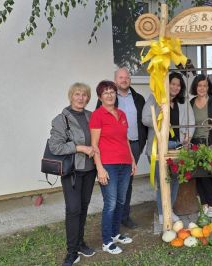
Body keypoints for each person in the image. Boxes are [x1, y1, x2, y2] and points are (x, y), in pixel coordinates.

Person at [48, 83, 96, 266]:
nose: (81, 98)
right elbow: (55, 146)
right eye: (77, 94)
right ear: (71, 96)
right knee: (73, 209)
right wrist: (79, 147)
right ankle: (71, 252)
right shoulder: (61, 119)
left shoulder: (91, 116)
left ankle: (80, 242)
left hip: (89, 171)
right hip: (72, 172)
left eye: (84, 95)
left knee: (83, 208)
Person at [97, 67, 147, 229]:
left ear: (130, 80)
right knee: (113, 185)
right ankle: (112, 219)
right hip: (111, 149)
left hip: (133, 146)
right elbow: (98, 125)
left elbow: (144, 122)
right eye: (120, 77)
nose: (124, 80)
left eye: (126, 77)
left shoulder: (139, 98)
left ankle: (124, 216)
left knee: (128, 183)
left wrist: (141, 143)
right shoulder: (108, 97)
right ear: (115, 79)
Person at [90, 80, 136, 254]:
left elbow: (125, 139)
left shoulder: (121, 114)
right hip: (108, 165)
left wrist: (132, 159)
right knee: (110, 203)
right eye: (106, 92)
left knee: (121, 201)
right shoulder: (97, 115)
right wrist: (99, 168)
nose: (110, 95)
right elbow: (94, 145)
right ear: (100, 97)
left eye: (112, 91)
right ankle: (107, 241)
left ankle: (116, 233)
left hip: (125, 164)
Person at [142, 72, 195, 224]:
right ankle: (162, 213)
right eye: (172, 83)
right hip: (159, 146)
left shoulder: (184, 102)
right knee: (163, 181)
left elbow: (191, 121)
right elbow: (145, 118)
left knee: (175, 180)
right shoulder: (155, 98)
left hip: (179, 146)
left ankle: (169, 210)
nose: (175, 87)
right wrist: (161, 123)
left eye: (178, 85)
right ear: (166, 84)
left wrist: (188, 137)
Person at [190, 74, 212, 218]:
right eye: (199, 85)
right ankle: (204, 204)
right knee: (198, 174)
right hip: (194, 142)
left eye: (205, 85)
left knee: (207, 175)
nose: (202, 88)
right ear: (195, 87)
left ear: (208, 87)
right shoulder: (191, 102)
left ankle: (211, 204)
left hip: (210, 142)